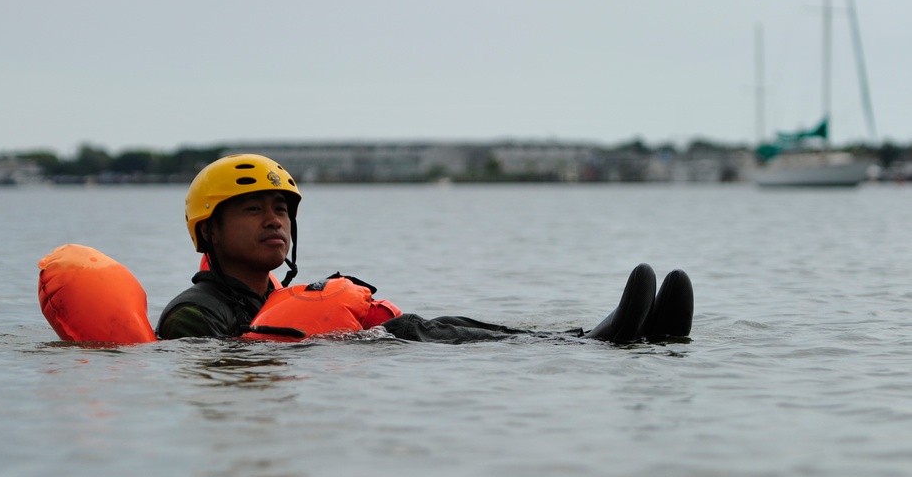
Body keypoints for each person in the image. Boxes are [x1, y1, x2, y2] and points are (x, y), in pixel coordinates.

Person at [156, 154, 693, 344]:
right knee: (408, 332)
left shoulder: (273, 298)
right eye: (254, 210)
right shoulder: (193, 313)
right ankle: (594, 344)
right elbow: (214, 362)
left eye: (281, 209)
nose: (274, 220)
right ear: (210, 232)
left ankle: (579, 339)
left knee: (415, 324)